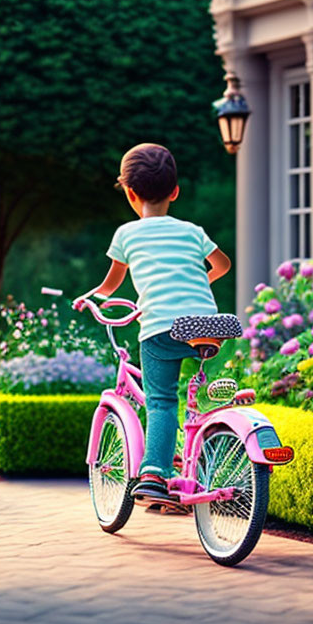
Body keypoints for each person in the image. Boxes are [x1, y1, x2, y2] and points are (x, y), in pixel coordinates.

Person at [74, 143, 231, 512]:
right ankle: (197, 464)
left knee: (161, 401)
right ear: (175, 191)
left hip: (161, 326)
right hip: (206, 323)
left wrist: (87, 298)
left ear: (130, 193)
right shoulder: (193, 231)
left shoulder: (127, 234)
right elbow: (222, 264)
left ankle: (154, 474)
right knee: (196, 397)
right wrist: (196, 285)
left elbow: (110, 286)